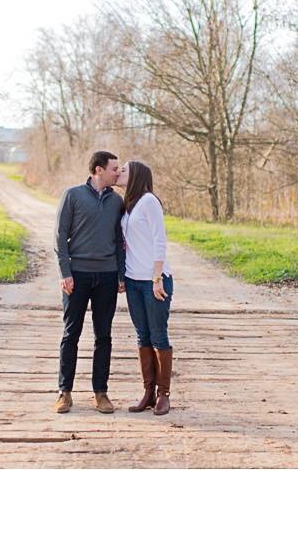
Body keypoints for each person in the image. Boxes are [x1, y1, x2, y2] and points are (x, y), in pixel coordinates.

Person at [53, 150, 126, 414]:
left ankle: (101, 393)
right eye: (114, 168)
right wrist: (65, 273)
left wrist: (120, 274)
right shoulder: (72, 195)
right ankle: (64, 392)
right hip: (78, 275)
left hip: (106, 276)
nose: (117, 173)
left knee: (103, 335)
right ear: (98, 169)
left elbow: (120, 240)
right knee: (71, 334)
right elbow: (60, 236)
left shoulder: (117, 202)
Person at [115, 160, 174, 416]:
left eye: (124, 170)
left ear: (136, 175)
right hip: (133, 280)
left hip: (153, 281)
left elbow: (160, 240)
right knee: (143, 336)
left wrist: (157, 277)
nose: (119, 173)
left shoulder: (149, 201)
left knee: (158, 335)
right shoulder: (128, 206)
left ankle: (163, 395)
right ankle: (148, 392)